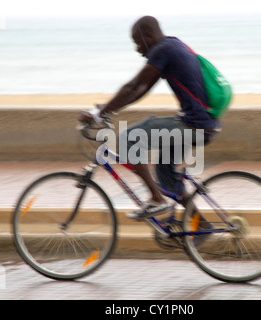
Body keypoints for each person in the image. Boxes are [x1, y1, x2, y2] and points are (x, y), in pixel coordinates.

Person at [78, 16, 219, 220]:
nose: (137, 48)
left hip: (193, 125)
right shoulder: (173, 45)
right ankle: (201, 226)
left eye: (137, 42)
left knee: (130, 137)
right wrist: (108, 108)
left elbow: (134, 86)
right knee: (166, 175)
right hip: (204, 125)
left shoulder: (163, 50)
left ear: (149, 36)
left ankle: (156, 200)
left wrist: (97, 114)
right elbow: (140, 89)